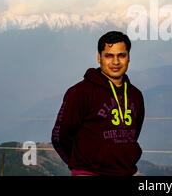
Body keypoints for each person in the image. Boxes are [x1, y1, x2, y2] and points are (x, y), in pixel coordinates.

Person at [51, 31, 145, 176]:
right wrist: (79, 166)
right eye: (109, 56)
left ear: (128, 58)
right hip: (89, 172)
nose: (116, 62)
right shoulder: (80, 92)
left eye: (121, 55)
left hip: (127, 171)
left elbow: (134, 134)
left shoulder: (135, 95)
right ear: (99, 58)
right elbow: (60, 137)